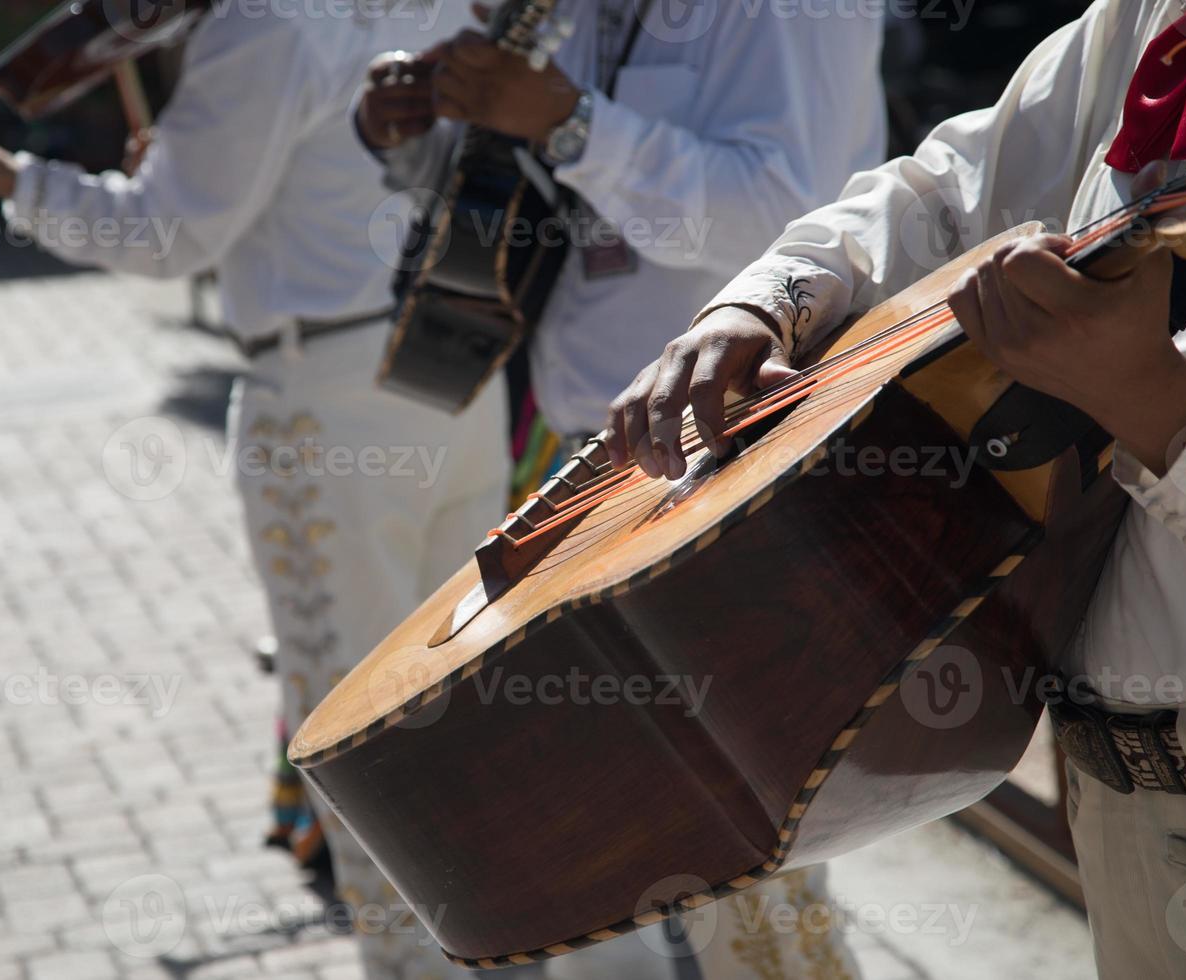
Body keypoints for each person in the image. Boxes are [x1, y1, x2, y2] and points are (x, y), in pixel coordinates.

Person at [0, 4, 515, 978]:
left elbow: (164, 235)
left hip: (330, 400)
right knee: (472, 720)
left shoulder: (259, 27)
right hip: (454, 370)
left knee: (367, 740)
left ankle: (420, 966)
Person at [606, 2, 1186, 976]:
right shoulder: (1155, 23)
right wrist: (766, 296)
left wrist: (1155, 405)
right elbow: (948, 192)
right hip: (1114, 775)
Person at [358, 1, 887, 976]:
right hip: (590, 457)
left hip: (733, 470)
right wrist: (422, 140)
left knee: (747, 868)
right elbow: (553, 199)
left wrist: (568, 120)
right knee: (592, 850)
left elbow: (790, 225)